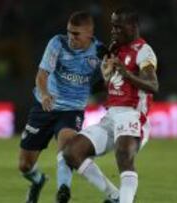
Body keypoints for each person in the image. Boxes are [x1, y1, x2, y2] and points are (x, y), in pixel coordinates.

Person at [63, 6, 159, 203]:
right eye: (112, 26)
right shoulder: (114, 48)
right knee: (72, 152)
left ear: (133, 26)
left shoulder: (144, 51)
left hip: (133, 115)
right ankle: (114, 196)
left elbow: (153, 86)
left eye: (118, 27)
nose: (113, 31)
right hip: (110, 117)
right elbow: (107, 86)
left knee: (124, 155)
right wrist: (104, 78)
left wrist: (127, 73)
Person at [18, 11, 108, 203]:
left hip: (72, 110)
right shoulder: (57, 43)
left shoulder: (100, 52)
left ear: (89, 34)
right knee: (25, 165)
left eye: (76, 34)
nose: (71, 37)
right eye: (69, 32)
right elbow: (42, 74)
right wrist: (44, 95)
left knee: (67, 147)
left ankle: (63, 191)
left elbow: (106, 80)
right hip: (45, 106)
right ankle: (38, 180)